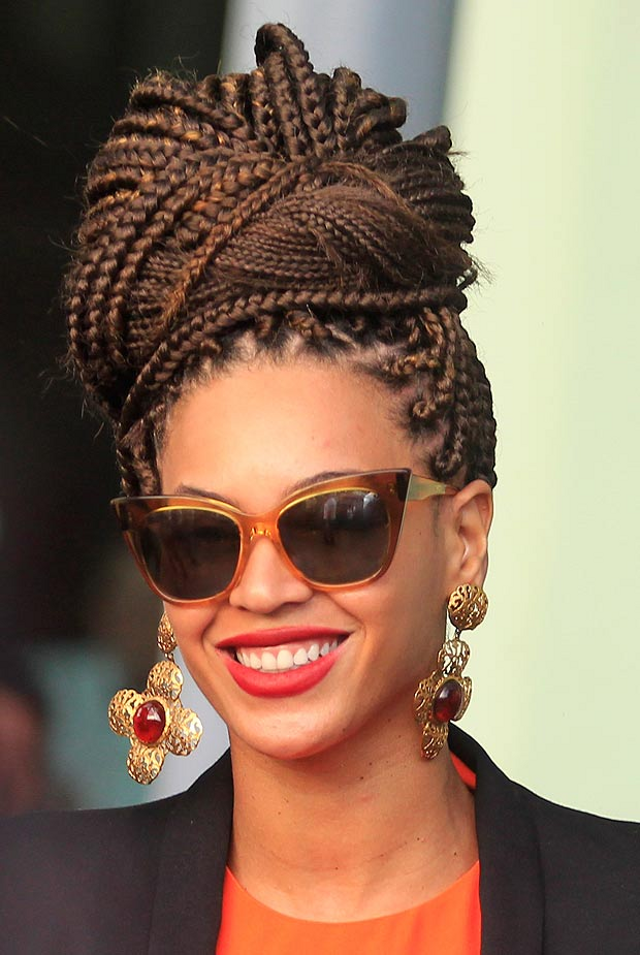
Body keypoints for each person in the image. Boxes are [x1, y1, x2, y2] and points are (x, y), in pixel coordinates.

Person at [1, 23, 638, 955]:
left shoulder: (618, 909)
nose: (260, 590)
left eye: (334, 521)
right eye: (201, 536)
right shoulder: (30, 911)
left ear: (464, 536)